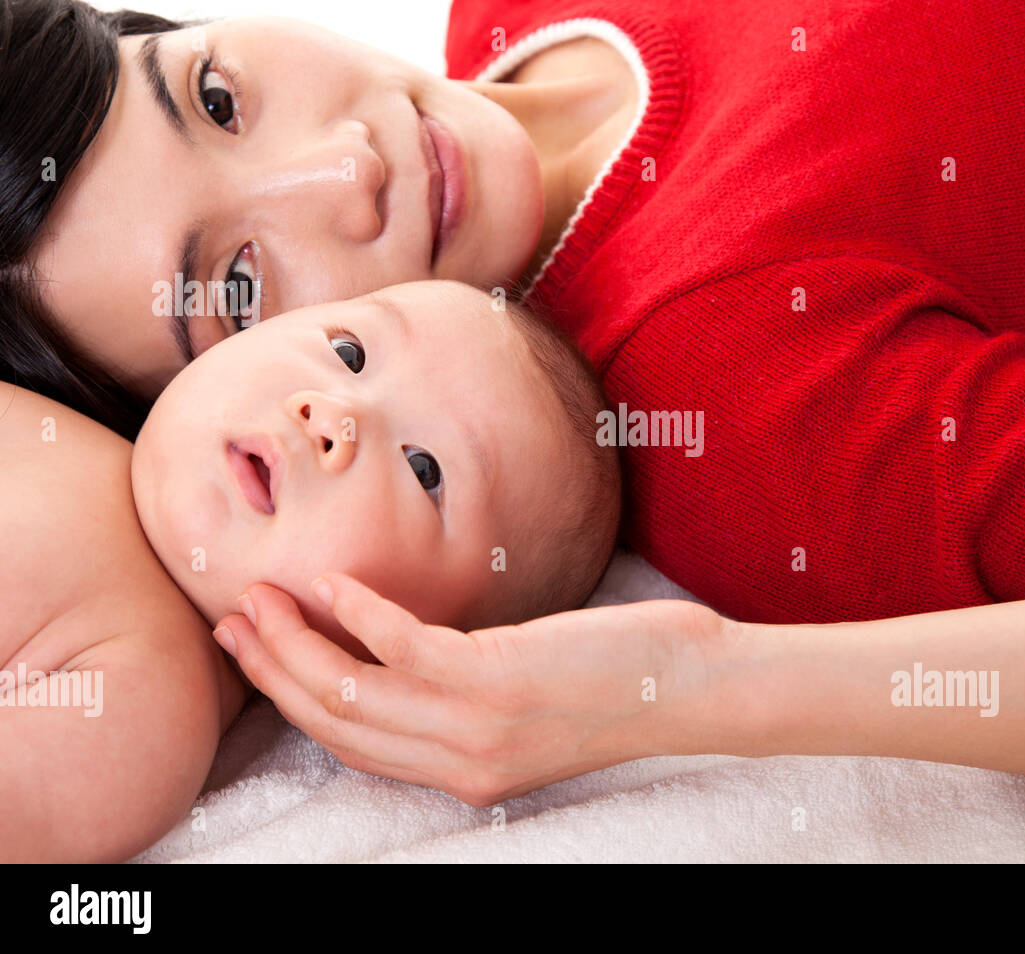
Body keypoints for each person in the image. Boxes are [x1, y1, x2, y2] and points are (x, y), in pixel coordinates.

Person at [4, 0, 1025, 820]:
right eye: (238, 284)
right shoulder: (738, 392)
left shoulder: (493, 23)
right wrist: (696, 687)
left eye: (217, 98)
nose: (343, 167)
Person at [0, 280, 621, 861]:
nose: (333, 416)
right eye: (349, 353)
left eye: (424, 470)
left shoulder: (147, 716)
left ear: (410, 657)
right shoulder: (58, 413)